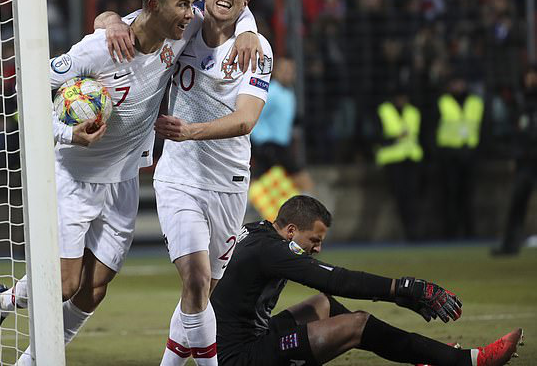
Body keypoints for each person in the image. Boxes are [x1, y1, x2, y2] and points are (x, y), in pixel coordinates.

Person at [0, 0, 262, 363]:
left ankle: (24, 344)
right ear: (155, 6)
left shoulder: (182, 31)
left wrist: (248, 29)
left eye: (192, 5)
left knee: (94, 290)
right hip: (74, 175)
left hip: (123, 179)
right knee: (64, 285)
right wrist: (69, 133)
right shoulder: (101, 47)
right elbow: (27, 84)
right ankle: (5, 305)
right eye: (182, 6)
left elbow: (226, 5)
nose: (190, 13)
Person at [211, 195, 523, 366]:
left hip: (242, 341)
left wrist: (399, 296)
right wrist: (403, 288)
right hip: (241, 358)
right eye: (314, 240)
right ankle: (463, 362)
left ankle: (423, 360)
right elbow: (338, 280)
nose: (317, 249)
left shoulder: (258, 233)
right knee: (356, 325)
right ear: (291, 230)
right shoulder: (272, 251)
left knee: (322, 306)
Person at [149, 0, 272, 366]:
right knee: (197, 278)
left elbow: (246, 120)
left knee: (202, 294)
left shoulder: (257, 49)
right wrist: (111, 21)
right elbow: (132, 18)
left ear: (246, 0)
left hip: (229, 182)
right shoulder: (182, 27)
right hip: (179, 175)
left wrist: (190, 130)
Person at [250, 56, 315, 193]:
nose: (287, 73)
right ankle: (311, 210)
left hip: (279, 146)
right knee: (303, 179)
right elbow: (253, 116)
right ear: (275, 71)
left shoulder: (289, 92)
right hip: (269, 146)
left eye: (290, 70)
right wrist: (260, 142)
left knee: (257, 181)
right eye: (283, 69)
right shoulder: (270, 92)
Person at [492, 64, 537, 255]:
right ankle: (510, 245)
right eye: (528, 75)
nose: (530, 79)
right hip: (526, 161)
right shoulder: (521, 102)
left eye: (533, 75)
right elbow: (517, 135)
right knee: (517, 203)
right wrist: (515, 158)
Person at [434, 73, 484, 239]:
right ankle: (450, 233)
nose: (457, 86)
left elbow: (484, 127)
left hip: (469, 154)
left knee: (468, 195)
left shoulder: (475, 102)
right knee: (450, 195)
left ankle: (470, 232)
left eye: (459, 82)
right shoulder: (442, 102)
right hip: (449, 156)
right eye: (454, 83)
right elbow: (433, 128)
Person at [373, 87, 423, 240]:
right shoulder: (384, 111)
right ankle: (410, 232)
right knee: (402, 197)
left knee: (412, 197)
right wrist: (395, 137)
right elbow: (376, 136)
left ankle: (413, 231)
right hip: (392, 160)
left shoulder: (413, 112)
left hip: (412, 158)